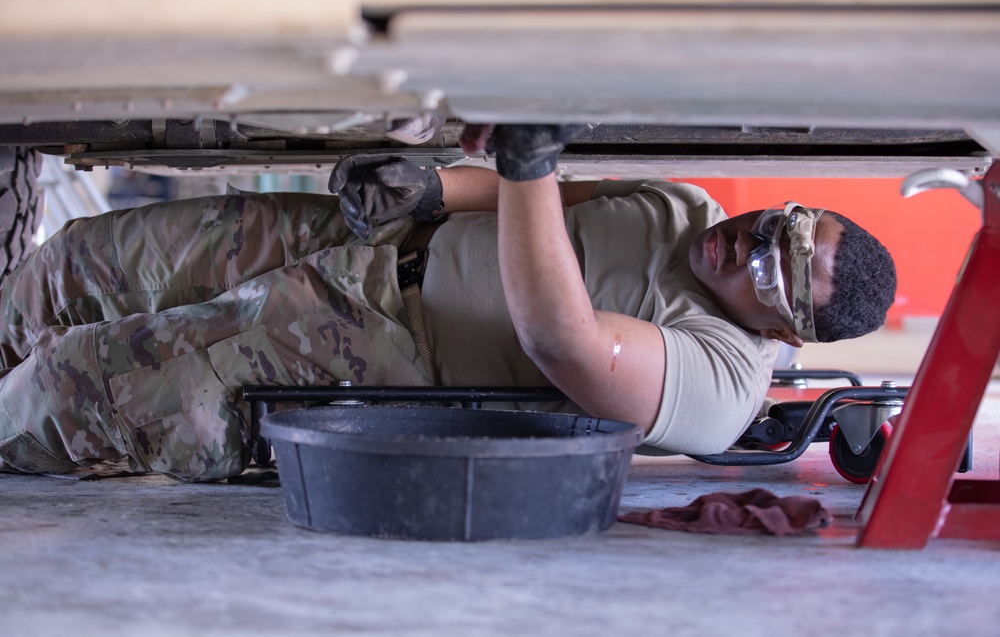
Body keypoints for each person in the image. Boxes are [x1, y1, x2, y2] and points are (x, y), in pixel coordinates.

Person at [0, 124, 896, 482]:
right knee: (76, 263)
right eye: (780, 222)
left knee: (80, 386)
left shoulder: (721, 384)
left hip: (379, 348)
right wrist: (431, 188)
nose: (750, 243)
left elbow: (565, 342)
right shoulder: (687, 206)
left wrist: (527, 160)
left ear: (785, 330)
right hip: (369, 245)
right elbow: (549, 200)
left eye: (779, 270)